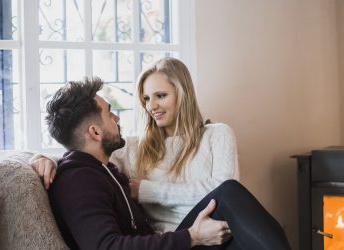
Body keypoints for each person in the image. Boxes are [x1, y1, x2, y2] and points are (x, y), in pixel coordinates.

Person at [43, 77, 291, 249]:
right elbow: (108, 247)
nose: (117, 117)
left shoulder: (104, 168)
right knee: (228, 194)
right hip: (180, 242)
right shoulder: (78, 181)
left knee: (242, 227)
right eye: (110, 113)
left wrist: (43, 158)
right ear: (96, 133)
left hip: (172, 242)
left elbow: (71, 151)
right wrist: (191, 237)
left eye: (160, 95)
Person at [33, 57, 239, 234]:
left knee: (231, 192)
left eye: (161, 96)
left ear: (183, 94)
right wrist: (46, 159)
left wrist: (146, 190)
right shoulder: (133, 147)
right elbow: (83, 151)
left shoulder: (218, 135)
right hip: (177, 240)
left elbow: (223, 194)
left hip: (219, 230)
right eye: (146, 98)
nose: (151, 106)